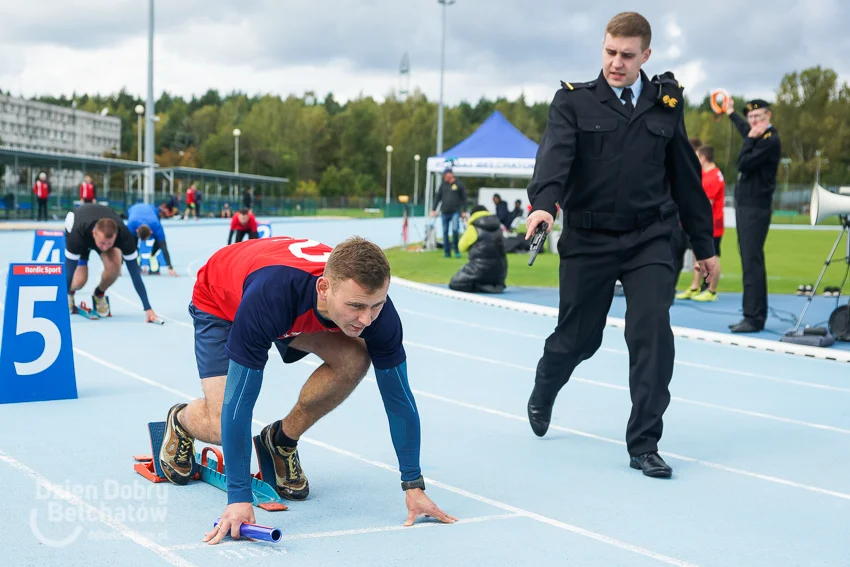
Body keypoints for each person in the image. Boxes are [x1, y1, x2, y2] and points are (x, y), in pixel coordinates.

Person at [156, 236, 456, 544]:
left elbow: (399, 400)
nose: (367, 319)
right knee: (222, 421)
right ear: (324, 288)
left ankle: (280, 441)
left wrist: (413, 485)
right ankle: (181, 420)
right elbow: (240, 402)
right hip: (222, 299)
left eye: (376, 305)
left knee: (354, 358)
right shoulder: (270, 297)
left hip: (290, 303)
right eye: (356, 306)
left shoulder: (376, 314)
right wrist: (238, 498)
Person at [523, 11, 718, 479]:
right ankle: (547, 382)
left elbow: (687, 181)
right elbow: (555, 158)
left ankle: (644, 443)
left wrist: (704, 246)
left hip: (650, 236)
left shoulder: (665, 103)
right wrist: (544, 204)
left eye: (627, 56)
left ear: (645, 56)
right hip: (588, 238)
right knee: (579, 339)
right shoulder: (573, 102)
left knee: (651, 331)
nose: (616, 63)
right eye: (610, 52)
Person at [724, 98, 781, 332]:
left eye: (758, 117)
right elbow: (744, 129)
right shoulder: (757, 136)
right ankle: (753, 313)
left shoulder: (768, 141)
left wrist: (748, 139)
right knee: (749, 259)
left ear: (769, 117)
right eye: (750, 118)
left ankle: (754, 317)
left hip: (755, 208)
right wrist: (730, 112)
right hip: (747, 206)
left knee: (751, 261)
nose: (753, 122)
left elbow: (743, 163)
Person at [64, 203, 159, 322]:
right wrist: (61, 303)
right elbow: (68, 271)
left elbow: (135, 275)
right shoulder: (77, 235)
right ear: (94, 234)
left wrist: (148, 308)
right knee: (79, 281)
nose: (105, 247)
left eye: (109, 243)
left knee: (115, 268)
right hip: (80, 231)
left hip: (100, 225)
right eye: (102, 243)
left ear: (115, 236)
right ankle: (70, 293)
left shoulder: (124, 236)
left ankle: (99, 293)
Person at [676, 145, 725, 301]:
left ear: (703, 158)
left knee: (713, 255)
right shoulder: (707, 174)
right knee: (697, 253)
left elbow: (705, 203)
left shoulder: (712, 177)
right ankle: (695, 286)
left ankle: (711, 290)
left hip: (712, 223)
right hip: (703, 223)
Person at [449, 205, 508, 293]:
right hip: (500, 273)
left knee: (455, 283)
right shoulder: (499, 227)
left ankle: (481, 286)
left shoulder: (473, 227)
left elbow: (461, 247)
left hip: (478, 270)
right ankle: (493, 285)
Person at [126, 202, 179, 277]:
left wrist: (170, 267)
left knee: (159, 241)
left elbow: (163, 247)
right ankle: (136, 264)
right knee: (132, 244)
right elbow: (124, 245)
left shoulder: (157, 226)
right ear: (137, 231)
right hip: (133, 209)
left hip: (151, 209)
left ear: (151, 232)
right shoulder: (130, 225)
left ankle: (152, 254)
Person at [430, 166, 467, 258]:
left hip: (455, 211)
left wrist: (464, 211)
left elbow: (464, 199)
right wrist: (434, 209)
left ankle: (456, 250)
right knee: (445, 232)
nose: (444, 176)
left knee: (455, 230)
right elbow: (437, 198)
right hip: (445, 212)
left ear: (450, 174)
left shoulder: (459, 184)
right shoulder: (443, 185)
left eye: (446, 174)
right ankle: (447, 252)